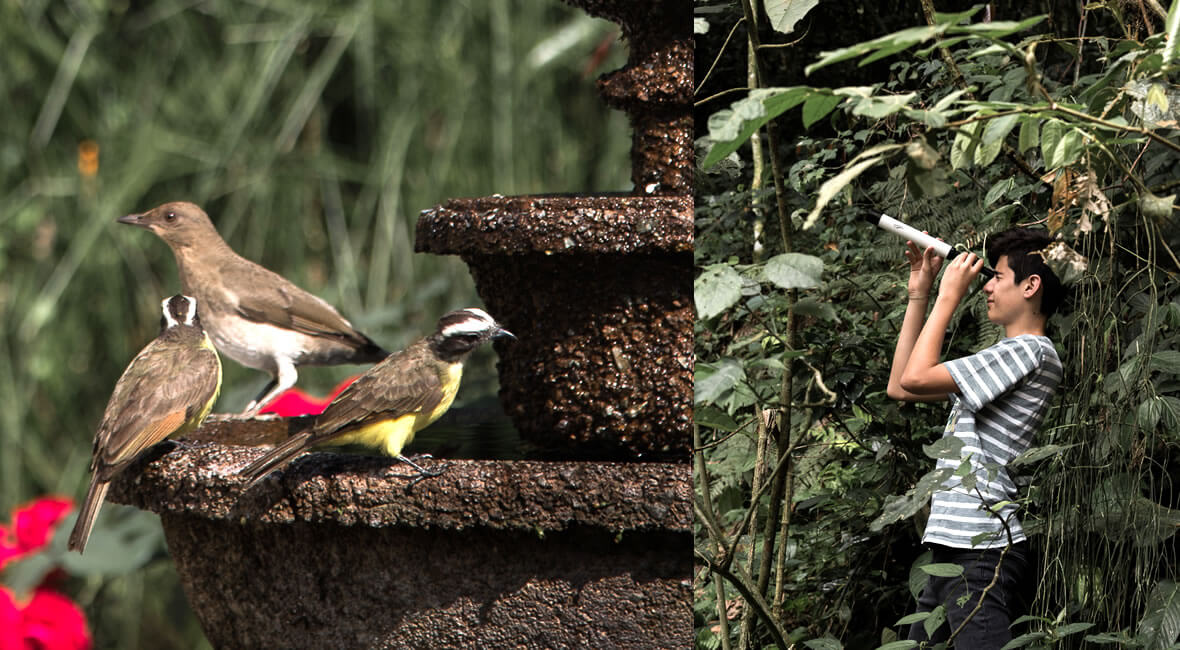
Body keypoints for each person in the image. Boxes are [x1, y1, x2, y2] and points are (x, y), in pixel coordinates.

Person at [886, 227, 1066, 648]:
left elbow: (914, 376)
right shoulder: (1006, 358)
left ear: (1031, 286)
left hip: (980, 550)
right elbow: (901, 387)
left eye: (997, 277)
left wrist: (949, 294)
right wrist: (921, 293)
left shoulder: (1030, 352)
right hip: (957, 545)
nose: (985, 286)